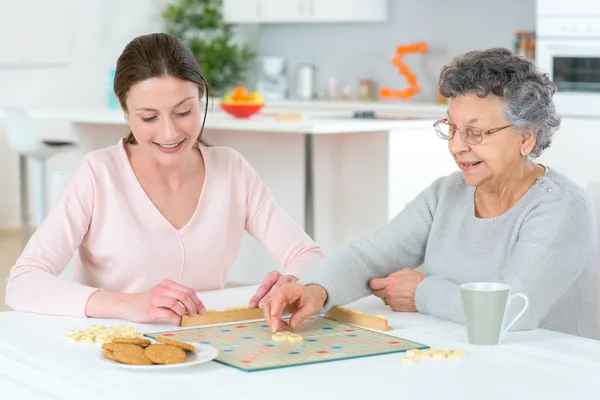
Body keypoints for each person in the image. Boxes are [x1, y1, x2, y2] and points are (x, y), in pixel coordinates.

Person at [265, 48, 599, 339]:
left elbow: (513, 310)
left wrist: (422, 292)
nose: (456, 146)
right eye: (451, 128)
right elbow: (371, 254)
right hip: (465, 354)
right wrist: (315, 289)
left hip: (548, 369)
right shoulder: (447, 192)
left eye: (475, 132)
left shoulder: (560, 206)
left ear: (526, 138)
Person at [5, 33, 323, 325]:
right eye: (149, 117)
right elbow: (22, 282)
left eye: (184, 112)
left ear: (200, 97)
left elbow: (307, 255)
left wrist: (294, 281)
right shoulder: (97, 175)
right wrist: (128, 305)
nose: (170, 133)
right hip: (112, 353)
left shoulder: (231, 170)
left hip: (205, 347)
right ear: (126, 112)